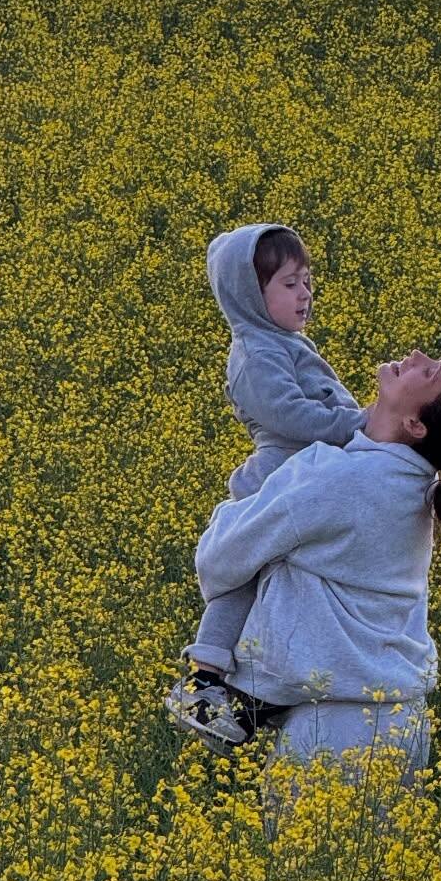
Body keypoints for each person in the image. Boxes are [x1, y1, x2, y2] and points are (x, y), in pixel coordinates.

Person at [189, 348, 441, 795]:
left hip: (338, 734)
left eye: (430, 372)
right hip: (390, 721)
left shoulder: (343, 480)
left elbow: (219, 557)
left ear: (416, 426)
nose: (416, 356)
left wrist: (244, 495)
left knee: (305, 866)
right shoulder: (408, 484)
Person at [164, 222, 369, 751]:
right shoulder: (256, 353)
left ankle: (252, 693)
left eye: (307, 281)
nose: (305, 294)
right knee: (243, 573)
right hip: (278, 472)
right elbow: (289, 415)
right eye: (288, 283)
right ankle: (202, 678)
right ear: (250, 296)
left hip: (307, 474)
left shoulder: (284, 343)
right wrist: (358, 428)